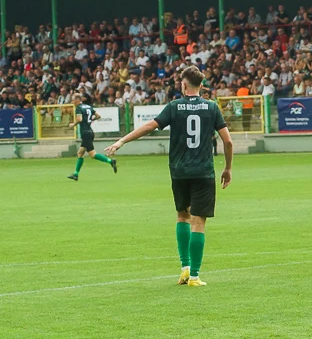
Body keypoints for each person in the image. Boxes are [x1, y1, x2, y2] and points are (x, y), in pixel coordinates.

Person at [105, 66, 233, 287]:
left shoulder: (174, 107)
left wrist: (121, 141)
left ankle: (184, 268)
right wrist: (228, 168)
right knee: (198, 222)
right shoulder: (212, 108)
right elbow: (228, 141)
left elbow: (149, 126)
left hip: (179, 171)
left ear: (183, 85)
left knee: (182, 216)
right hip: (203, 172)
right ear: (201, 85)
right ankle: (194, 275)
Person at [67, 93, 117, 180]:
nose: (72, 101)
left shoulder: (78, 108)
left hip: (85, 133)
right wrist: (90, 120)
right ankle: (76, 174)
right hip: (90, 132)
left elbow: (80, 119)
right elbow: (98, 116)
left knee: (93, 155)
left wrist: (73, 124)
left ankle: (111, 161)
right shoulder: (87, 106)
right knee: (80, 153)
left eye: (73, 99)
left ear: (77, 99)